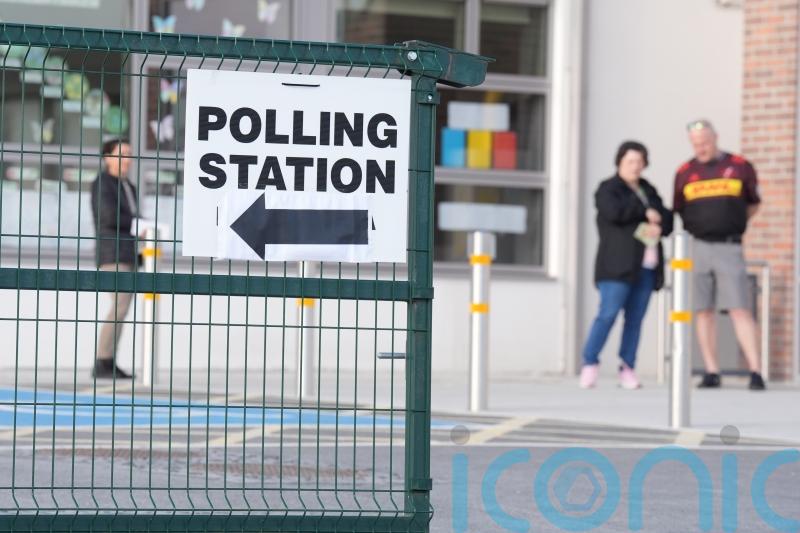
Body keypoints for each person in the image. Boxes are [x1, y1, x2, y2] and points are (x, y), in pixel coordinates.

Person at [674, 119, 765, 390]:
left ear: (715, 138)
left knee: (739, 308)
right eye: (695, 144)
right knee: (703, 311)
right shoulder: (685, 172)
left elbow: (753, 204)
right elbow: (679, 208)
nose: (700, 148)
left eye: (705, 142)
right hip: (698, 247)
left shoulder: (739, 166)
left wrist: (733, 223)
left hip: (729, 246)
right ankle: (711, 371)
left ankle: (756, 371)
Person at [580, 141, 673, 389]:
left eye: (639, 162)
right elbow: (614, 213)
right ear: (620, 162)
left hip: (646, 266)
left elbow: (667, 218)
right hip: (616, 267)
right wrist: (645, 214)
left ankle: (628, 367)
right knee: (607, 314)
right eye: (630, 161)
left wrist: (659, 222)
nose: (635, 166)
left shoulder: (648, 190)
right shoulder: (608, 189)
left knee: (635, 319)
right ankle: (590, 362)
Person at [90, 138, 137, 379]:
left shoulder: (128, 186)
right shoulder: (103, 183)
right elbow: (108, 216)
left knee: (122, 307)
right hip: (113, 254)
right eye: (122, 154)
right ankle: (103, 360)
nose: (127, 159)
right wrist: (139, 224)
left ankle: (108, 360)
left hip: (128, 253)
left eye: (129, 154)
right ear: (107, 158)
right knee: (119, 306)